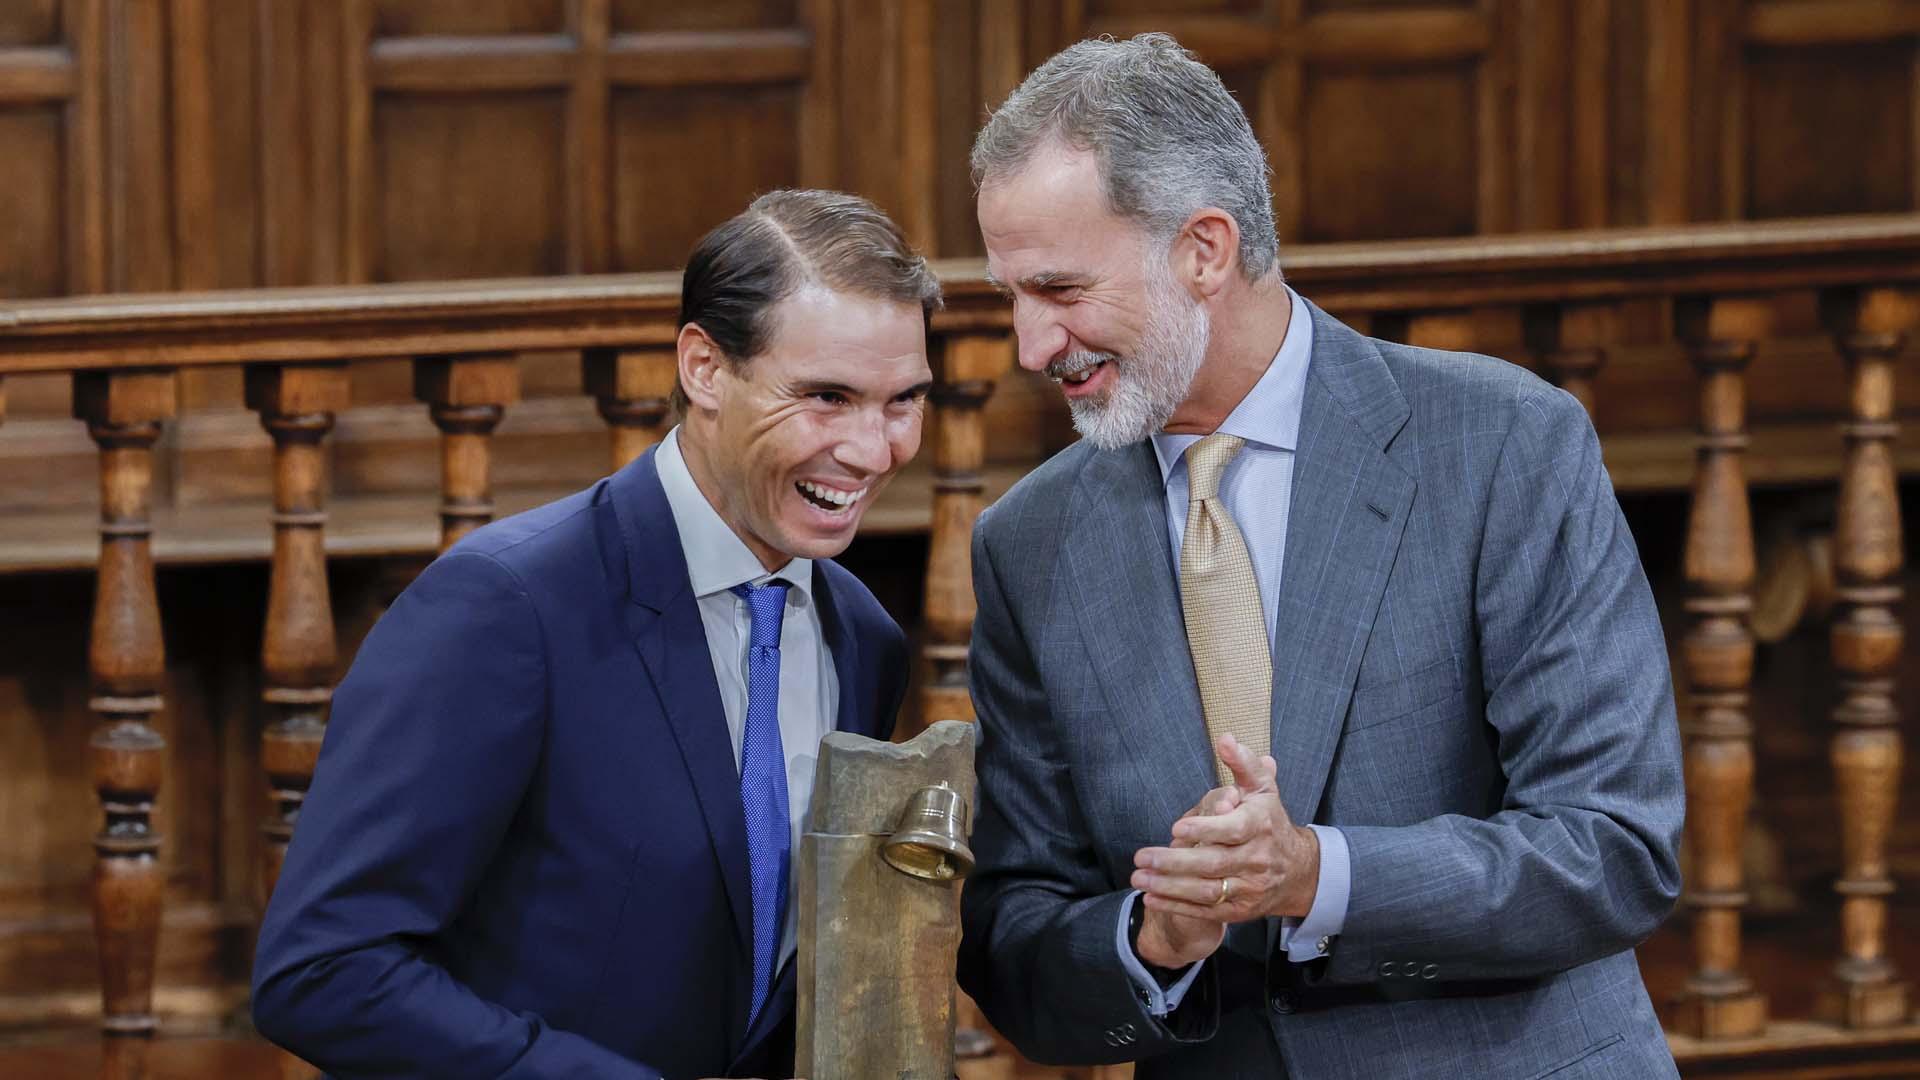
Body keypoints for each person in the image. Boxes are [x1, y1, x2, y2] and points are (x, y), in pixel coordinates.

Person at [955, 33, 1684, 1079]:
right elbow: (1017, 938)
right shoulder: (1027, 545)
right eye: (1011, 295)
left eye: (1061, 290)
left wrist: (1313, 876)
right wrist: (1151, 943)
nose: (1030, 346)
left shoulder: (1504, 443)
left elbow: (1613, 849)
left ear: (1204, 250)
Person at [252, 189, 940, 1079]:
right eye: (826, 397)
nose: (873, 449)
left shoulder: (861, 635)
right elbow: (322, 971)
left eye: (903, 403)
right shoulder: (503, 607)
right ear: (704, 368)